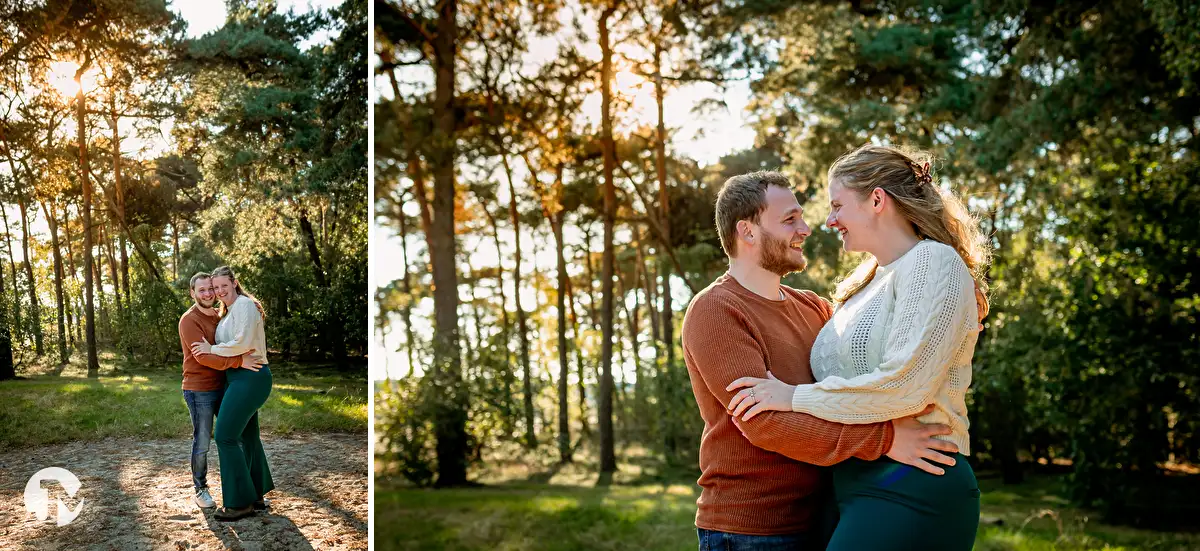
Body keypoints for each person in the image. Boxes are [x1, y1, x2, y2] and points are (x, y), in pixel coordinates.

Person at [681, 169, 978, 551]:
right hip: (753, 527)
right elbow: (765, 422)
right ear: (748, 231)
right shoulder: (716, 310)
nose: (806, 228)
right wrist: (883, 440)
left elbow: (872, 353)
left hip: (829, 511)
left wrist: (948, 315)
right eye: (790, 220)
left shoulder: (816, 309)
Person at [189, 265, 274, 521]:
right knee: (248, 435)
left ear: (235, 283)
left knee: (225, 436)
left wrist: (212, 349)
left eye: (224, 285)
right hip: (236, 377)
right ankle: (256, 494)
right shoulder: (227, 312)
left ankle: (239, 503)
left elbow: (243, 344)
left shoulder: (245, 305)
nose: (219, 291)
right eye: (215, 287)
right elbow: (235, 345)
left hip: (251, 377)